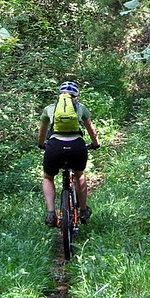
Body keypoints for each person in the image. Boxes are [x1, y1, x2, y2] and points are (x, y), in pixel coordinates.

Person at [38, 81, 100, 227]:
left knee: (48, 177)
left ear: (60, 95)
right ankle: (83, 210)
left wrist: (41, 144)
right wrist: (95, 144)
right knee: (79, 175)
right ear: (76, 96)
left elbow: (42, 131)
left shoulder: (50, 109)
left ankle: (51, 213)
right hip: (77, 147)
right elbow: (91, 130)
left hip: (55, 147)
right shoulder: (81, 108)